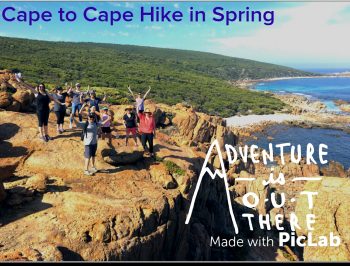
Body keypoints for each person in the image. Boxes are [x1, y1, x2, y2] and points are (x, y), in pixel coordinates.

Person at [15, 74, 65, 142]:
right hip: (40, 111)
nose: (41, 87)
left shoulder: (46, 93)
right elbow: (27, 86)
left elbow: (53, 98)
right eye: (40, 86)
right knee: (41, 123)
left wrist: (60, 103)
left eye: (42, 86)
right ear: (38, 87)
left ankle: (46, 135)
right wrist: (20, 80)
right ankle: (42, 136)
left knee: (46, 123)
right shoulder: (36, 93)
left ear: (44, 87)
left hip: (46, 110)